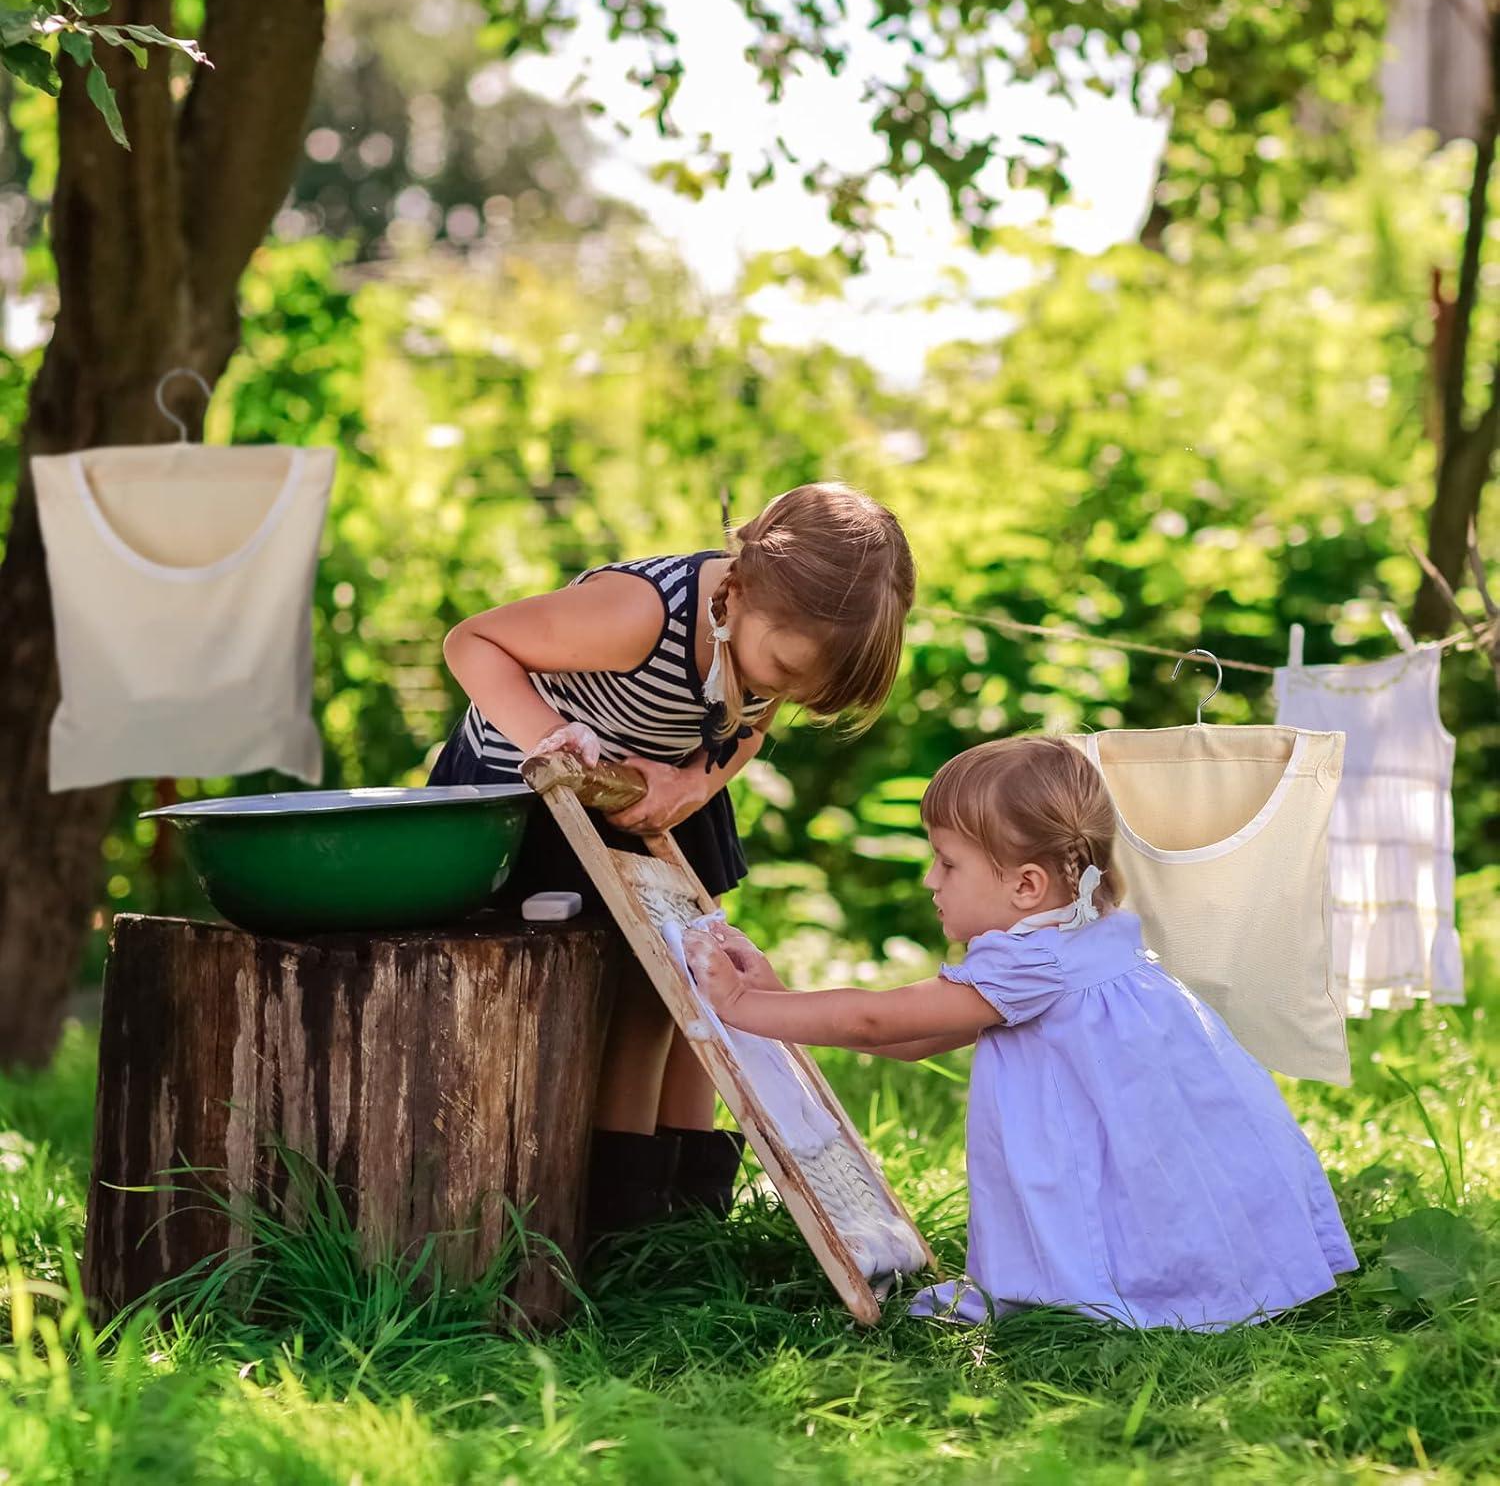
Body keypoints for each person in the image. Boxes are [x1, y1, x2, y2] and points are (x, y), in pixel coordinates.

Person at [685, 736, 1358, 1328]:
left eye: (948, 863)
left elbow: (876, 1018)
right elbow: (914, 1037)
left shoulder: (1029, 960)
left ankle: (1117, 1288)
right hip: (1147, 1131)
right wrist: (777, 998)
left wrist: (741, 1003)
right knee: (1153, 1206)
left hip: (1117, 1136)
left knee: (1115, 1228)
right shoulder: (1075, 933)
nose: (930, 879)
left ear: (1028, 885)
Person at [431, 482, 916, 1231]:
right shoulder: (639, 615)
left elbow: (750, 724)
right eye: (779, 670)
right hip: (540, 793)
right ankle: (612, 1215)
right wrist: (552, 739)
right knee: (621, 992)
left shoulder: (766, 642)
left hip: (659, 792)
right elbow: (473, 643)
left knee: (690, 984)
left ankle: (687, 1210)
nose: (773, 691)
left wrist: (697, 782)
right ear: (743, 591)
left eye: (797, 688)